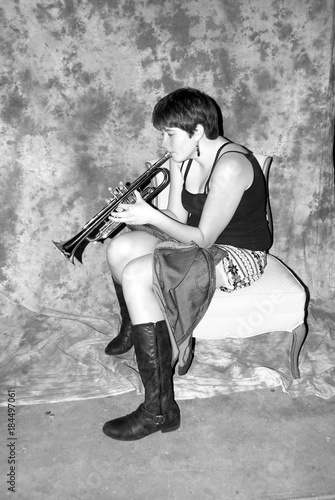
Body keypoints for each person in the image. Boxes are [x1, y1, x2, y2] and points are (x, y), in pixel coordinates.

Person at [102, 87, 272, 441]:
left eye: (169, 133)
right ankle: (139, 327)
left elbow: (204, 238)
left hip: (236, 255)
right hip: (193, 241)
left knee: (136, 274)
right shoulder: (184, 158)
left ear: (197, 130)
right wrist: (137, 207)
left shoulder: (231, 165)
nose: (164, 143)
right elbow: (176, 216)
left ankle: (159, 410)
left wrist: (149, 214)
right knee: (119, 248)